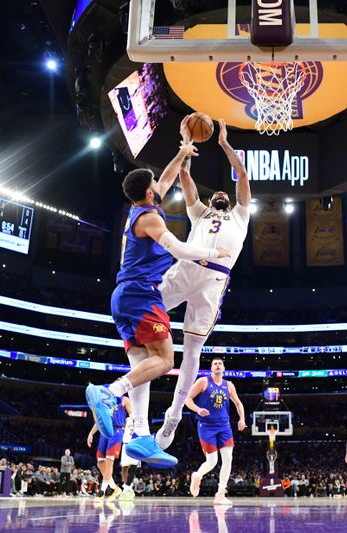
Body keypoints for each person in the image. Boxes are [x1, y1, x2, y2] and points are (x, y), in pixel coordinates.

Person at [85, 139, 228, 469]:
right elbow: (178, 249)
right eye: (154, 186)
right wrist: (213, 253)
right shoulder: (149, 218)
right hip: (140, 295)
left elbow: (164, 180)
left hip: (125, 296)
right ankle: (110, 393)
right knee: (165, 359)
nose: (159, 187)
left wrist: (181, 152)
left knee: (143, 369)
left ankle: (139, 436)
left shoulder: (142, 206)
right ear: (148, 193)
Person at [154, 116, 251, 450]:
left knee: (192, 350)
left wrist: (224, 144)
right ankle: (136, 384)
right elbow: (185, 180)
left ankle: (175, 414)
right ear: (211, 201)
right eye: (217, 193)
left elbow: (242, 177)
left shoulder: (240, 215)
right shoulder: (199, 212)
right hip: (187, 265)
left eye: (224, 193)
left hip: (214, 280)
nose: (221, 193)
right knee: (142, 310)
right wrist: (185, 150)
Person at [185, 357, 247, 506]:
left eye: (220, 364)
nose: (218, 365)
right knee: (212, 461)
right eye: (215, 364)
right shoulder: (203, 382)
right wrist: (198, 409)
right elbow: (187, 399)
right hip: (207, 426)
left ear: (223, 368)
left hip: (224, 426)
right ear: (211, 368)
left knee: (228, 459)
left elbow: (238, 403)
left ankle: (220, 494)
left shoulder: (229, 385)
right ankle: (197, 475)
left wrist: (242, 419)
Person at [87, 396, 132, 501]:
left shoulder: (124, 400)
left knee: (109, 462)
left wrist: (130, 431)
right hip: (104, 431)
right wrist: (91, 434)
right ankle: (115, 488)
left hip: (116, 431)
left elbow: (133, 417)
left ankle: (102, 492)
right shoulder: (104, 401)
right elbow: (100, 420)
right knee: (100, 462)